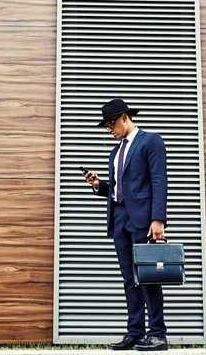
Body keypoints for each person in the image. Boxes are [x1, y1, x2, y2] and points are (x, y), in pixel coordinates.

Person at [81, 98, 168, 351]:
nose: (109, 128)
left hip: (143, 219)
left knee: (148, 277)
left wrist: (158, 218)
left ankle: (158, 334)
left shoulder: (151, 141)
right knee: (129, 279)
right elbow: (120, 190)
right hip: (119, 219)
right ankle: (135, 332)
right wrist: (99, 186)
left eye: (111, 122)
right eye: (105, 124)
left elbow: (159, 180)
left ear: (125, 117)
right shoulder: (115, 151)